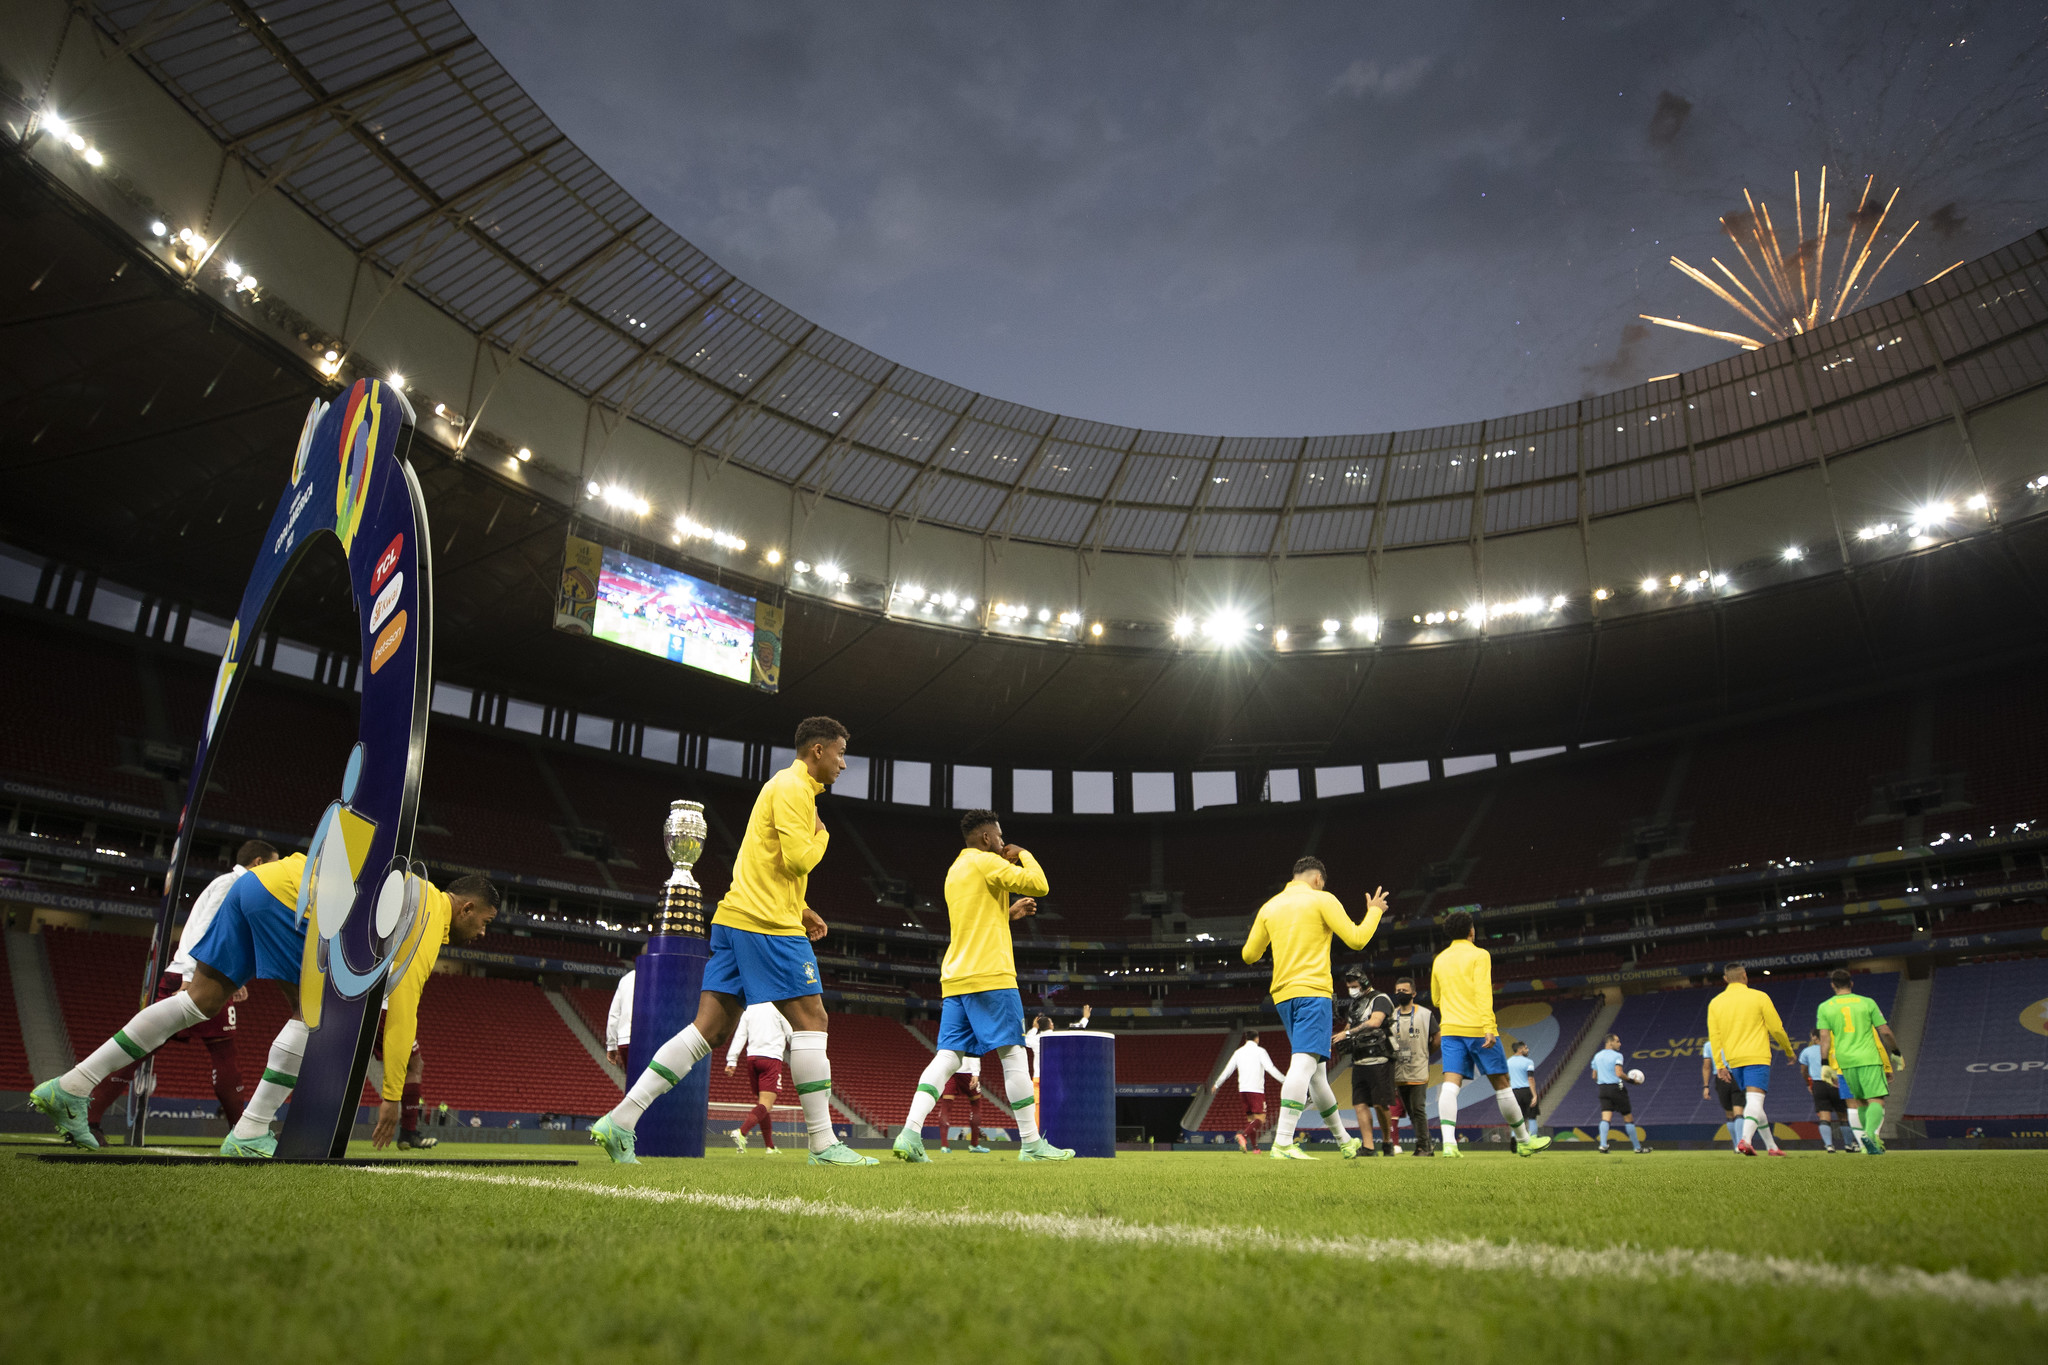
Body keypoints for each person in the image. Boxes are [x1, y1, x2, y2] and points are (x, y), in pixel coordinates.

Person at [32, 854, 499, 1156]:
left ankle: (71, 1087)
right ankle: (252, 1129)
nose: (482, 934)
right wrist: (392, 1096)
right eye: (485, 923)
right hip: (292, 901)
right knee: (316, 1011)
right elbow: (402, 1011)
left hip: (258, 885)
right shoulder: (428, 919)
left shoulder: (417, 898)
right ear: (466, 908)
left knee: (199, 1000)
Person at [591, 716, 876, 1166]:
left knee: (710, 1030)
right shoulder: (793, 788)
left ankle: (620, 1121)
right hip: (765, 923)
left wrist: (800, 906)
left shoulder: (788, 789)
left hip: (740, 916)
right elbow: (801, 857)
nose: (843, 763)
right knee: (812, 1020)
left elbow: (765, 859)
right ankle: (823, 1144)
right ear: (817, 751)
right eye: (840, 753)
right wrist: (824, 837)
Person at [893, 810, 1073, 1162]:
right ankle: (1032, 1143)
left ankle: (909, 1134)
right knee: (1013, 1055)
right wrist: (1024, 853)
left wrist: (1008, 914)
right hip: (991, 974)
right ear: (988, 838)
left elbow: (973, 920)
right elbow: (1040, 884)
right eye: (1001, 837)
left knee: (947, 1056)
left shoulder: (955, 871)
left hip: (956, 977)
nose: (1004, 843)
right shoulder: (986, 862)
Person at [84, 839, 278, 1143]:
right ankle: (243, 1134)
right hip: (200, 977)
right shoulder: (233, 885)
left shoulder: (229, 884)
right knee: (223, 1054)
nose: (276, 870)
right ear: (257, 863)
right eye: (273, 864)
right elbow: (205, 930)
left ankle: (90, 1122)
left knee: (141, 1048)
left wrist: (235, 981)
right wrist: (192, 975)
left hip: (197, 974)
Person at [1239, 857, 1386, 1161]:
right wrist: (1374, 912)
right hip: (1313, 993)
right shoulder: (1322, 899)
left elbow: (1250, 955)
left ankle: (1345, 1141)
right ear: (1318, 879)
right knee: (1304, 1065)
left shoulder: (1269, 907)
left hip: (1283, 996)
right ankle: (1282, 1142)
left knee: (1317, 1074)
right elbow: (1357, 939)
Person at [1430, 912, 1550, 1157]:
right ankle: (1525, 1141)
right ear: (1471, 931)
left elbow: (1435, 997)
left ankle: (1449, 1144)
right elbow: (1484, 992)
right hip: (1477, 1029)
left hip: (1451, 1030)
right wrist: (1487, 1027)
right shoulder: (1479, 955)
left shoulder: (1439, 960)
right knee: (1503, 1086)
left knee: (1450, 1086)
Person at [1706, 962, 1797, 1157]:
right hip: (1757, 1056)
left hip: (1733, 1060)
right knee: (1755, 1102)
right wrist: (1789, 1051)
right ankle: (1745, 1140)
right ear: (1745, 976)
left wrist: (1720, 1064)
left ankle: (1771, 1146)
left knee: (1754, 1103)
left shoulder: (1715, 1002)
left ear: (1725, 979)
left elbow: (1714, 1037)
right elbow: (1776, 1028)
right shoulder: (1759, 996)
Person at [1817, 967, 1903, 1156]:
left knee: (1861, 1102)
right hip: (1868, 1058)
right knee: (1876, 1101)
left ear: (1833, 985)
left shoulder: (1825, 1007)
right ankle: (1871, 1135)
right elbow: (1885, 1031)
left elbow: (1825, 1039)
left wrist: (1824, 1064)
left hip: (1845, 1061)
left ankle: (1866, 1144)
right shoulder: (1867, 1002)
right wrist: (1895, 1051)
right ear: (1851, 984)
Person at [1334, 968, 1397, 1155]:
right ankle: (1368, 1146)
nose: (1351, 989)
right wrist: (1342, 1037)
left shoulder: (1380, 999)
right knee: (1359, 1104)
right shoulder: (1354, 1005)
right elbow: (1348, 1026)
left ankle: (1387, 1142)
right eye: (1349, 987)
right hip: (1359, 1060)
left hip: (1380, 1057)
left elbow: (1375, 1021)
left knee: (1380, 1104)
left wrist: (1347, 1033)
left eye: (1354, 986)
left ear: (1364, 983)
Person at [724, 999, 794, 1153]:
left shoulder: (750, 1008)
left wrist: (732, 1059)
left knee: (763, 1106)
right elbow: (790, 1033)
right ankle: (741, 1132)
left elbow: (740, 1035)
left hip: (752, 1060)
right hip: (771, 1059)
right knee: (766, 1105)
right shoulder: (778, 1007)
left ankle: (769, 1146)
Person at [1700, 1036, 1779, 1154]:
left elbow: (1706, 1066)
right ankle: (1740, 1145)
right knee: (1739, 1111)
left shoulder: (1709, 1045)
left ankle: (1737, 1144)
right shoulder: (1734, 1039)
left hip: (1721, 1077)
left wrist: (1706, 1086)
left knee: (1729, 1113)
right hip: (1736, 1074)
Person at [1387, 976, 1437, 1155]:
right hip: (1399, 1072)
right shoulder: (1392, 1015)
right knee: (1411, 1111)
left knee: (1418, 1109)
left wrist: (1426, 1053)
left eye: (1404, 991)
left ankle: (1424, 1146)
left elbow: (1437, 1037)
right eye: (1398, 991)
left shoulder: (1425, 1014)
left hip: (1418, 1068)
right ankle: (1426, 1145)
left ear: (1414, 994)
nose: (1400, 994)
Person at [1221, 1031, 1286, 1153]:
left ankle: (1255, 1148)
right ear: (1257, 1039)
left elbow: (1227, 1071)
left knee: (1252, 1121)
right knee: (1261, 1119)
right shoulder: (1260, 1051)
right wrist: (1284, 1080)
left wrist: (1217, 1084)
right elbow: (1270, 1068)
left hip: (1243, 1091)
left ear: (1246, 1039)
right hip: (1256, 1090)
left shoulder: (1238, 1052)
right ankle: (1243, 1136)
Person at [1588, 1033, 1647, 1153]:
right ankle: (1637, 1147)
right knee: (1628, 1118)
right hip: (1616, 1088)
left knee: (1605, 1118)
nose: (1619, 1044)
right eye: (1617, 1041)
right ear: (1610, 1042)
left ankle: (1603, 1145)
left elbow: (1594, 1075)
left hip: (1603, 1089)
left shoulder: (1597, 1056)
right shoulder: (1617, 1055)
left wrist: (1604, 1079)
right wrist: (1632, 1081)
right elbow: (1619, 1073)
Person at [1798, 1029, 1849, 1152]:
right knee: (1843, 1115)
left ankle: (1829, 1145)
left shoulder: (1807, 1051)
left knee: (1824, 1115)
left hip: (1818, 1084)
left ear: (1815, 1038)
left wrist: (1808, 1084)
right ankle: (1849, 1144)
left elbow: (1803, 1071)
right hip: (1836, 1083)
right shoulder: (1835, 1048)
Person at [938, 1053, 987, 1153]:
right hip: (967, 1071)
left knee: (945, 1107)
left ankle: (944, 1146)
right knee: (976, 1105)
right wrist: (976, 1073)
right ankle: (974, 1145)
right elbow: (974, 1047)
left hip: (950, 1070)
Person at [605, 968, 635, 1068]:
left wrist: (611, 1045)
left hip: (626, 1039)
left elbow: (614, 1014)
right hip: (651, 1040)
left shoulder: (626, 979)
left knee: (633, 1082)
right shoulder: (663, 976)